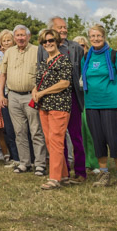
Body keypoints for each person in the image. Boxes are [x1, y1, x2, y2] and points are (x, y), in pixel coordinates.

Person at [38, 16, 88, 182]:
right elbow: (40, 71)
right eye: (60, 27)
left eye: (65, 27)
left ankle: (80, 172)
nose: (63, 30)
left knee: (75, 135)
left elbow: (81, 73)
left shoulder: (75, 48)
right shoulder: (44, 47)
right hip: (48, 99)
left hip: (71, 96)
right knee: (56, 137)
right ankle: (62, 171)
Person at [83, 24, 117, 188]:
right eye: (93, 36)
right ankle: (104, 174)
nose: (96, 39)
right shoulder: (86, 57)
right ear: (89, 38)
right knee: (97, 139)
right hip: (91, 103)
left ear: (104, 37)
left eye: (99, 36)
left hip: (111, 103)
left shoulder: (114, 55)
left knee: (113, 139)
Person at [0, 25, 47, 175]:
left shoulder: (37, 50)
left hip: (31, 96)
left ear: (28, 36)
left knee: (36, 131)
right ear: (14, 37)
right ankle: (24, 162)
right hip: (13, 95)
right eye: (17, 35)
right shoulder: (9, 52)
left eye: (22, 35)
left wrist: (38, 89)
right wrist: (1, 94)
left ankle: (40, 164)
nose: (20, 38)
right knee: (19, 131)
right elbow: (3, 74)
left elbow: (44, 72)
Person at [32, 29, 72, 190]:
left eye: (50, 40)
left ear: (56, 41)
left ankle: (54, 178)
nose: (47, 44)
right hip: (44, 105)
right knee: (49, 141)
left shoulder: (64, 60)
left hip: (59, 105)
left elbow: (65, 83)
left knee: (56, 140)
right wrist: (35, 91)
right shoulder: (44, 62)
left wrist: (43, 92)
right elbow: (38, 81)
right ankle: (63, 174)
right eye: (44, 42)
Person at [0, 29, 20, 163]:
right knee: (8, 128)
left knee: (20, 128)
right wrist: (0, 94)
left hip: (16, 93)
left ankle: (25, 157)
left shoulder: (18, 56)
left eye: (8, 40)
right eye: (3, 41)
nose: (6, 43)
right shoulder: (0, 59)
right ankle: (14, 156)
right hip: (4, 94)